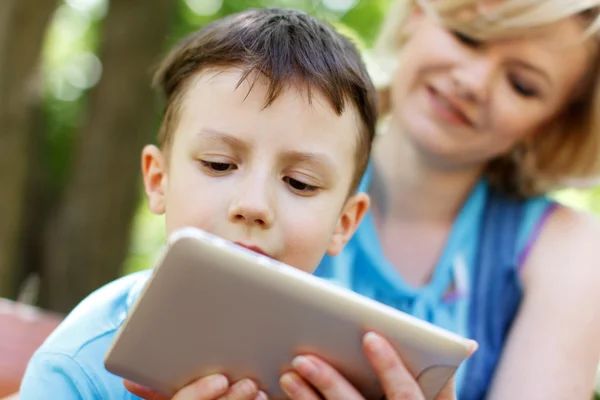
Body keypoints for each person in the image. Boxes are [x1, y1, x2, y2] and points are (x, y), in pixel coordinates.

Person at [19, 7, 469, 400]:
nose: (253, 205)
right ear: (159, 181)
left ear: (344, 223)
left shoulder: (352, 374)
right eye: (218, 165)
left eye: (300, 182)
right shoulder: (79, 368)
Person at [311, 0, 600, 399]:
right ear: (416, 15)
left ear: (550, 123)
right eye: (468, 37)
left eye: (522, 84)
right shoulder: (266, 164)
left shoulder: (566, 249)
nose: (474, 82)